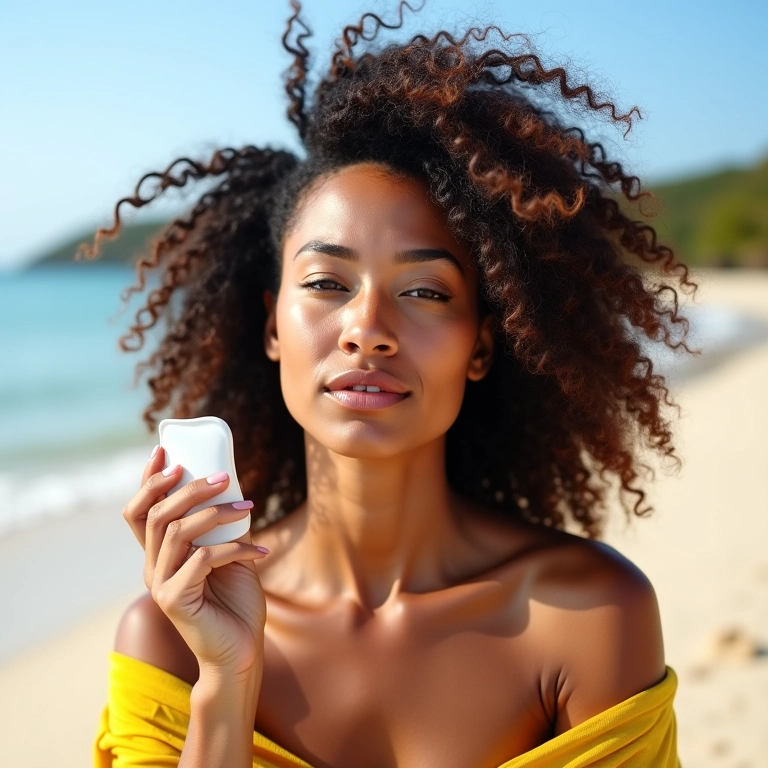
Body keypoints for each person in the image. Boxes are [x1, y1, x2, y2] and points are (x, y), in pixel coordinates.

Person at [94, 2, 691, 766]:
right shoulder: (169, 635)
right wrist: (226, 677)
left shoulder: (589, 613)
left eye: (425, 292)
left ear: (481, 343)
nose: (367, 327)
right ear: (272, 324)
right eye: (326, 282)